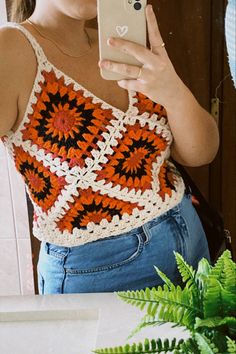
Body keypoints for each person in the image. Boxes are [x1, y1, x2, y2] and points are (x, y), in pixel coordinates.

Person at [0, 0, 219, 294]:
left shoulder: (122, 43)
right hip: (100, 275)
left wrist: (174, 92)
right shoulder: (11, 50)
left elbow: (201, 153)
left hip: (192, 246)